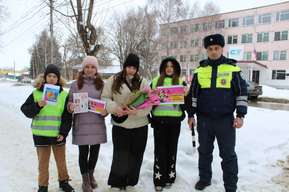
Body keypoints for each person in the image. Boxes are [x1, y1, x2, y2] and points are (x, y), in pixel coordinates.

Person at [188, 34, 248, 192]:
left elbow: (241, 93)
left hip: (225, 120)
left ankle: (230, 185)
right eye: (210, 49)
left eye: (216, 48)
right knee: (205, 151)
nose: (213, 52)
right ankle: (204, 178)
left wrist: (240, 115)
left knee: (228, 154)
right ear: (206, 50)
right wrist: (191, 115)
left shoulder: (233, 68)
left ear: (222, 49)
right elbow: (193, 95)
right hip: (204, 120)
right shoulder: (200, 70)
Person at [100, 53, 152, 191]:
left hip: (140, 126)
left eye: (134, 68)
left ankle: (130, 182)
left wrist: (137, 112)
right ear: (124, 66)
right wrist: (115, 108)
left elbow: (150, 104)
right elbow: (105, 98)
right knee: (120, 155)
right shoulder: (113, 80)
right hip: (120, 125)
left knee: (136, 155)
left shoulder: (143, 82)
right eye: (129, 66)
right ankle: (116, 183)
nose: (131, 70)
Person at [21, 64, 74, 192]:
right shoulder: (36, 94)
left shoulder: (63, 95)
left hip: (57, 134)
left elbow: (67, 117)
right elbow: (25, 110)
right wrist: (37, 105)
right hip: (40, 134)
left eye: (54, 76)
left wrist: (64, 132)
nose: (51, 78)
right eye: (49, 76)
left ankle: (64, 182)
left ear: (58, 79)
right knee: (43, 163)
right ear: (45, 77)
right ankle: (43, 185)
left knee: (61, 161)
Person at [67, 56, 108, 192]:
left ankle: (91, 176)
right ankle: (85, 181)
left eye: (93, 67)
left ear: (96, 69)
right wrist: (70, 107)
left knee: (95, 152)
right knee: (83, 152)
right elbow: (69, 102)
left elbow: (106, 102)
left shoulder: (101, 84)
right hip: (81, 123)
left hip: (97, 123)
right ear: (83, 68)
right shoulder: (75, 85)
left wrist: (105, 111)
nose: (90, 70)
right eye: (87, 67)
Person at [150, 57, 191, 192]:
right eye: (166, 66)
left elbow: (187, 105)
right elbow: (148, 102)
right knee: (160, 150)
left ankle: (170, 176)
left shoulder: (180, 82)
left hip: (174, 123)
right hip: (159, 122)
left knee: (171, 150)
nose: (169, 68)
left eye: (171, 66)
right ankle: (159, 178)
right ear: (163, 68)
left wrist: (187, 94)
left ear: (175, 69)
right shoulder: (156, 81)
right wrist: (152, 95)